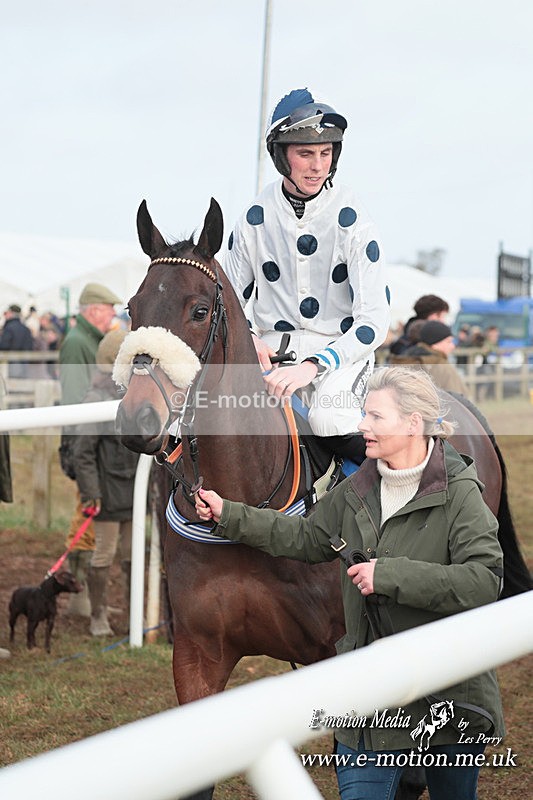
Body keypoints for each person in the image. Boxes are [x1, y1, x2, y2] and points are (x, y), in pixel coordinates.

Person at [195, 366, 504, 800]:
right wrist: (229, 514)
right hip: (367, 697)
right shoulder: (357, 487)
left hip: (447, 696)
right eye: (364, 414)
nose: (361, 426)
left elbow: (483, 581)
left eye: (375, 417)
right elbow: (306, 537)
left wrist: (389, 575)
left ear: (413, 423)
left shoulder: (462, 493)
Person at [224, 88, 391, 463]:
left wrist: (313, 366)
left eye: (325, 153)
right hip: (269, 356)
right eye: (305, 154)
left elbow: (374, 321)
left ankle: (397, 498)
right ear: (282, 157)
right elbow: (229, 301)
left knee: (329, 418)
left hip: (341, 354)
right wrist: (249, 337)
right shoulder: (253, 218)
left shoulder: (355, 220)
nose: (318, 166)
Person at [59, 282, 122, 615]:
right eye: (110, 307)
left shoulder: (88, 341)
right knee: (83, 520)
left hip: (92, 445)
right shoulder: (77, 344)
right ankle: (78, 598)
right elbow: (73, 402)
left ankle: (84, 597)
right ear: (95, 309)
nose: (113, 313)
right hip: (83, 445)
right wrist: (75, 452)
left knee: (88, 522)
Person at [71, 330, 139, 636]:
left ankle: (132, 612)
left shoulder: (137, 394)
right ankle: (98, 616)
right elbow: (82, 452)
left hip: (135, 492)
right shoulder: (95, 398)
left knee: (133, 555)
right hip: (107, 496)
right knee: (103, 555)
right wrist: (91, 493)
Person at [390, 320, 469, 396]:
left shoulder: (403, 361)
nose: (452, 346)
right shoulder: (441, 366)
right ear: (435, 344)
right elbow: (458, 401)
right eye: (448, 341)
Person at [0, 304, 34, 378]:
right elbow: (30, 346)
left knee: (11, 385)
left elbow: (4, 346)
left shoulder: (8, 328)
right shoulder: (26, 329)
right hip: (24, 363)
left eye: (6, 313)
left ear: (11, 313)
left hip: (12, 363)